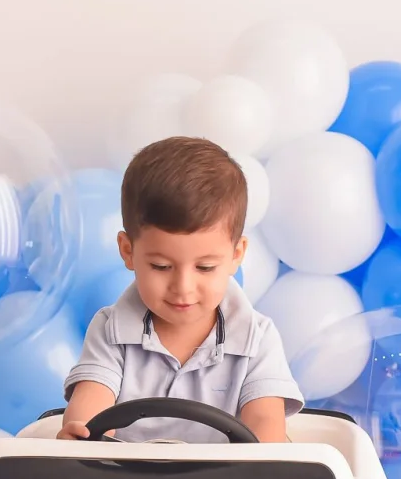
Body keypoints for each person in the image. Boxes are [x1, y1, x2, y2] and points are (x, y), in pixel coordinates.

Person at [58, 136, 303, 443]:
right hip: (125, 472)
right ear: (128, 251)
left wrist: (265, 457)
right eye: (161, 266)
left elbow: (265, 422)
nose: (183, 288)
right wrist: (81, 431)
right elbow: (91, 400)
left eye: (205, 267)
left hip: (227, 473)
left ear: (236, 255)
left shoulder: (257, 337)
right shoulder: (110, 330)